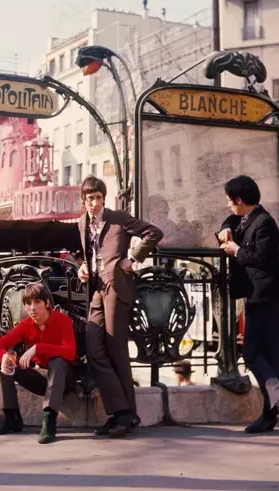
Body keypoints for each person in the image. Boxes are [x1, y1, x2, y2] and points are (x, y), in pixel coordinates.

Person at [78, 176, 163, 439]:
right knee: (94, 348)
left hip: (116, 287)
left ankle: (125, 415)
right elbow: (89, 254)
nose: (94, 203)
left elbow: (153, 233)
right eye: (90, 199)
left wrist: (133, 259)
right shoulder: (82, 222)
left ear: (104, 198)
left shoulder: (118, 218)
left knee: (116, 349)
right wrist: (83, 267)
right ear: (83, 201)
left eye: (98, 198)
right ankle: (121, 412)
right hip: (96, 290)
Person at [217, 175, 279, 437]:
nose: (228, 205)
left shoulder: (265, 223)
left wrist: (235, 250)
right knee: (271, 359)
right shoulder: (247, 219)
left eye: (230, 202)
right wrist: (225, 230)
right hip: (262, 296)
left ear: (239, 200)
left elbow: (261, 258)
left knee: (251, 353)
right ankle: (272, 414)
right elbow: (231, 222)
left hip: (264, 297)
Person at [0, 282, 77, 444]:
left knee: (57, 361)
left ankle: (49, 422)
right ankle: (11, 417)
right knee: (1, 358)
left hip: (64, 380)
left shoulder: (63, 321)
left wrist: (38, 348)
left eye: (37, 302)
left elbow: (70, 352)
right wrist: (4, 357)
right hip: (41, 380)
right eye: (28, 303)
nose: (32, 308)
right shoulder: (25, 325)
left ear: (47, 303)